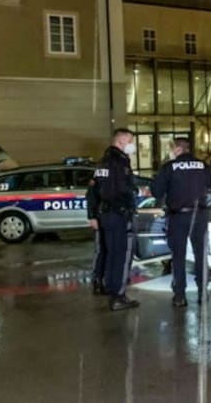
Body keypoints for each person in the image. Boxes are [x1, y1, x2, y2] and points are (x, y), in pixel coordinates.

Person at [152, 137, 211, 308]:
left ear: (177, 149)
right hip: (200, 216)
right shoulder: (203, 166)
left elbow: (156, 192)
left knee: (178, 256)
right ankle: (203, 292)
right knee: (200, 255)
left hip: (178, 217)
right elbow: (210, 189)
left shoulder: (169, 167)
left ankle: (180, 296)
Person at [86, 128, 140, 311]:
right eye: (130, 141)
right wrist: (134, 195)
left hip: (105, 214)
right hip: (119, 214)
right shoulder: (119, 161)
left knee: (110, 253)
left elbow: (93, 191)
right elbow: (122, 189)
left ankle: (110, 288)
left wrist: (92, 214)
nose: (132, 145)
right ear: (121, 141)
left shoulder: (102, 162)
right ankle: (118, 295)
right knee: (122, 255)